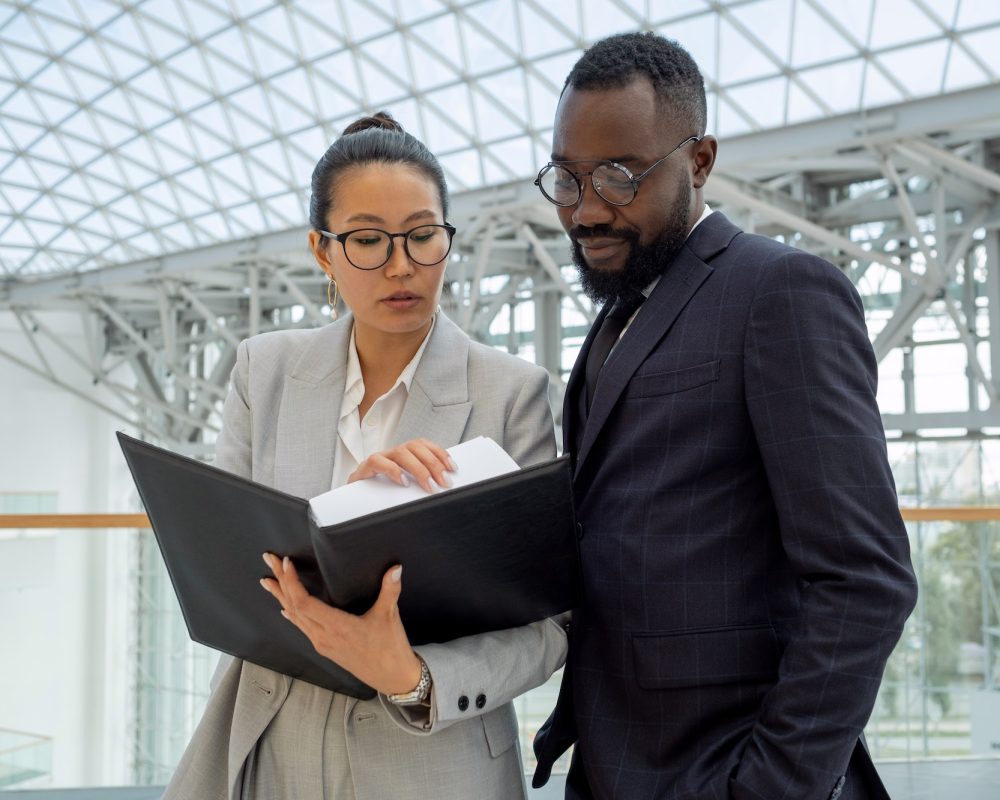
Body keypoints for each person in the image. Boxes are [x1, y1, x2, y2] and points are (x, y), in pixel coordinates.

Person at [530, 32, 918, 800]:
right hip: (614, 765)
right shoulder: (619, 318)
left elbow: (865, 579)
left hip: (721, 772)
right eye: (567, 179)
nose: (586, 210)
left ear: (700, 160)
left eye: (618, 176)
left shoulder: (779, 293)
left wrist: (768, 789)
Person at [162, 112, 567, 800]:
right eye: (368, 241)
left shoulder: (511, 394)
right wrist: (345, 513)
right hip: (275, 746)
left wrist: (412, 675)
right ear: (323, 252)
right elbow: (225, 567)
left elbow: (547, 627)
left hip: (434, 766)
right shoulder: (264, 372)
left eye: (422, 236)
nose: (401, 265)